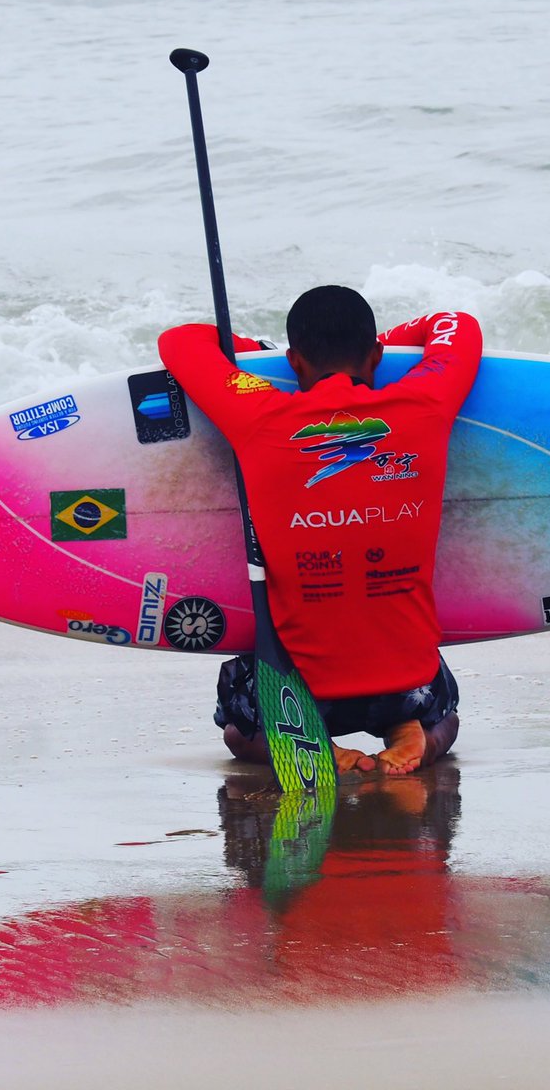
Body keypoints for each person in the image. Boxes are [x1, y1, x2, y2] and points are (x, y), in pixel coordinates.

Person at [158, 285, 482, 776]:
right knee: (446, 716)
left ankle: (313, 748)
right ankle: (419, 737)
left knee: (237, 733)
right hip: (406, 683)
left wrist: (259, 353)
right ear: (374, 355)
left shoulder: (258, 415)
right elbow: (457, 324)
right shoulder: (426, 404)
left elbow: (181, 341)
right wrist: (393, 343)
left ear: (295, 362)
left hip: (302, 689)